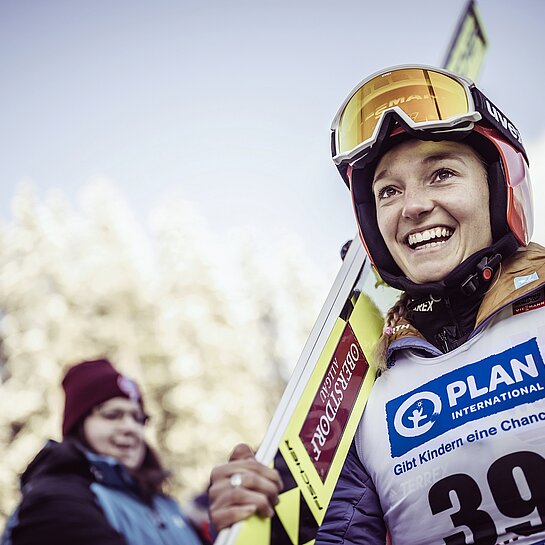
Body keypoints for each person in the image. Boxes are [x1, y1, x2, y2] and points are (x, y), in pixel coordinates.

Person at [210, 65, 545, 545]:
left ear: (500, 187)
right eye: (388, 190)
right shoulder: (358, 384)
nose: (412, 206)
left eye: (442, 174)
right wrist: (274, 527)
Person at [2, 358, 214, 545]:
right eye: (113, 415)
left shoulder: (164, 504)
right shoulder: (55, 502)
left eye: (138, 418)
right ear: (79, 426)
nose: (131, 428)